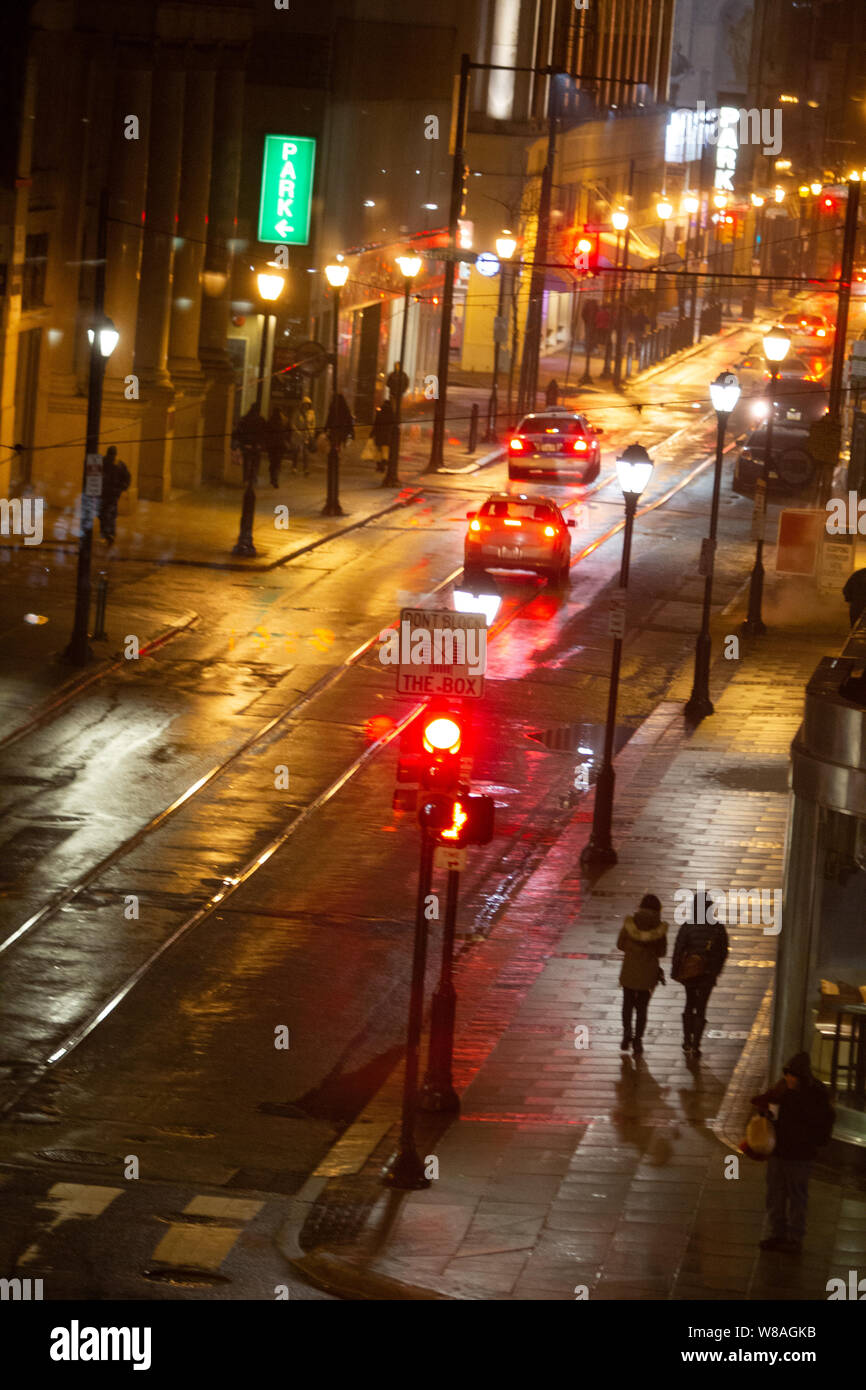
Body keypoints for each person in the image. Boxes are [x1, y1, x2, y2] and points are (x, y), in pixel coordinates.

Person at [750, 1053, 835, 1254]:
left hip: (800, 1155)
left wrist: (813, 1142)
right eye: (787, 1074)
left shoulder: (815, 1096)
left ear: (802, 1077)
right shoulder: (782, 1091)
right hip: (779, 1152)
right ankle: (776, 1233)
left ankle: (795, 1238)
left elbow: (823, 1123)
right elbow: (769, 1110)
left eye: (793, 1075)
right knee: (775, 1194)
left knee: (797, 1196)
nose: (789, 1078)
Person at [671, 889, 729, 1058]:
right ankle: (696, 1044)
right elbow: (723, 951)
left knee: (689, 1004)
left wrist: (676, 971)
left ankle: (686, 1039)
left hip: (690, 974)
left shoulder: (688, 926)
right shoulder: (717, 928)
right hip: (708, 974)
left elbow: (678, 949)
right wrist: (715, 971)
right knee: (701, 1007)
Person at [616, 893, 668, 1057]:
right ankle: (638, 1040)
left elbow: (620, 944)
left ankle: (626, 1034)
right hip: (648, 974)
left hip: (629, 971)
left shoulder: (630, 924)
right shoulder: (659, 929)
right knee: (642, 1008)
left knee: (627, 1005)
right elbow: (662, 952)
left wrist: (633, 951)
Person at [98, 445, 131, 545]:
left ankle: (107, 533)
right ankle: (108, 533)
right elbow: (127, 478)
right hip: (109, 493)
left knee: (106, 514)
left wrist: (122, 487)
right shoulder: (119, 464)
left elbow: (126, 478)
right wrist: (122, 487)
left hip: (108, 493)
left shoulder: (108, 463)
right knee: (108, 514)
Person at [234, 404, 268, 483]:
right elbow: (264, 433)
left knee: (246, 461)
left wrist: (242, 442)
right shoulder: (261, 420)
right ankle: (253, 477)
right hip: (257, 445)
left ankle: (245, 478)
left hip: (247, 444)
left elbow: (239, 431)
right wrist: (262, 444)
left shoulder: (245, 418)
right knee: (255, 462)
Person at [371, 398, 395, 473]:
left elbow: (376, 425)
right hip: (387, 436)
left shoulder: (380, 414)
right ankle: (384, 464)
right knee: (386, 451)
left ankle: (379, 466)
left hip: (379, 435)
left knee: (379, 451)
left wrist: (372, 434)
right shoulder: (392, 415)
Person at [295, 396, 317, 475]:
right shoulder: (298, 413)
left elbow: (313, 424)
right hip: (299, 435)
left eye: (308, 404)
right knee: (297, 451)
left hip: (306, 435)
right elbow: (293, 423)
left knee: (305, 452)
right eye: (305, 404)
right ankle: (294, 467)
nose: (306, 406)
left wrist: (311, 432)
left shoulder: (311, 414)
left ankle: (306, 469)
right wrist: (297, 431)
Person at [265, 406, 286, 488]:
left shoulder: (270, 421)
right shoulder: (282, 422)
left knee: (273, 462)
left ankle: (273, 478)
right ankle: (275, 479)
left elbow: (266, 434)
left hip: (272, 446)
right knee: (277, 463)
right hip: (279, 446)